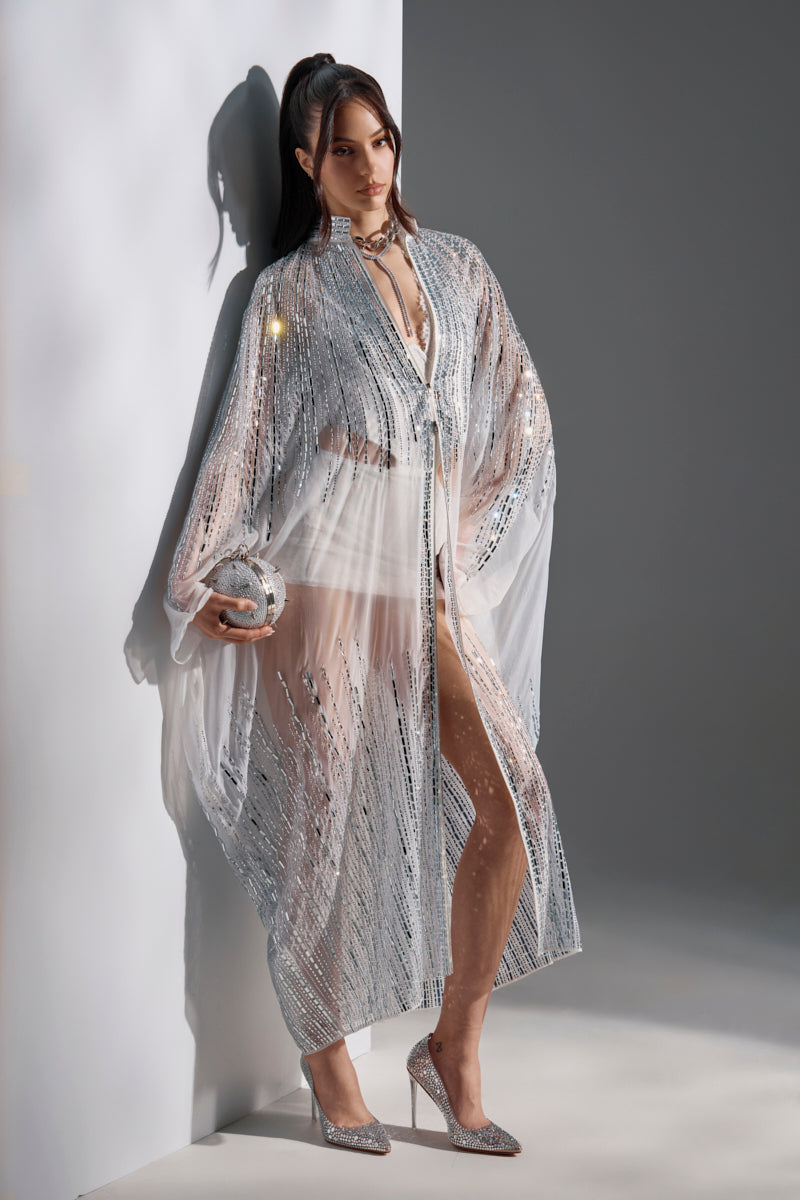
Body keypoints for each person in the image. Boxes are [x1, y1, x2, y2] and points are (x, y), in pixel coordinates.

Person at [158, 51, 582, 1156]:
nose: (368, 166)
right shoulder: (288, 296)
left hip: (425, 588)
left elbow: (521, 416)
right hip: (329, 588)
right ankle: (324, 1053)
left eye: (380, 142)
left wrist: (460, 543)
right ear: (306, 162)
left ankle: (452, 1047)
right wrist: (200, 578)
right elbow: (246, 442)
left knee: (513, 801)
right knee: (327, 828)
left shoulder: (457, 268)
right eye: (340, 150)